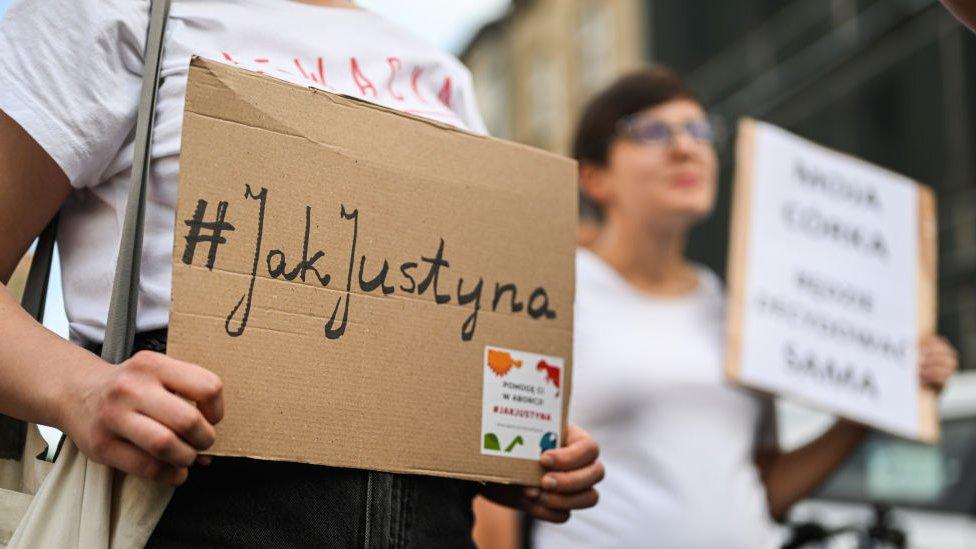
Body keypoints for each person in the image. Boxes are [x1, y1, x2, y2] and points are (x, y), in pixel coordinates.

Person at [0, 0, 602, 546]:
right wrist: (80, 389)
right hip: (191, 506)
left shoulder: (440, 72)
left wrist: (514, 455)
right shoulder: (109, 12)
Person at [475, 67, 959, 549]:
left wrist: (878, 400)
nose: (685, 147)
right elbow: (495, 481)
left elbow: (765, 488)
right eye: (651, 131)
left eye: (698, 130)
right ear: (593, 177)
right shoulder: (550, 293)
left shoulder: (737, 309)